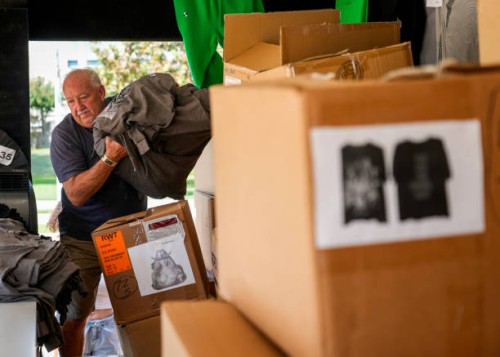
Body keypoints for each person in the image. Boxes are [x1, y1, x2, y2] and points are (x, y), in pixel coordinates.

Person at [50, 68, 147, 357]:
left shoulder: (125, 116)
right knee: (74, 316)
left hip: (128, 232)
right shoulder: (64, 135)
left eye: (84, 97)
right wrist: (109, 158)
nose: (78, 108)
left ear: (101, 92)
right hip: (82, 238)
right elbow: (76, 194)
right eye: (70, 101)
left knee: (141, 311)